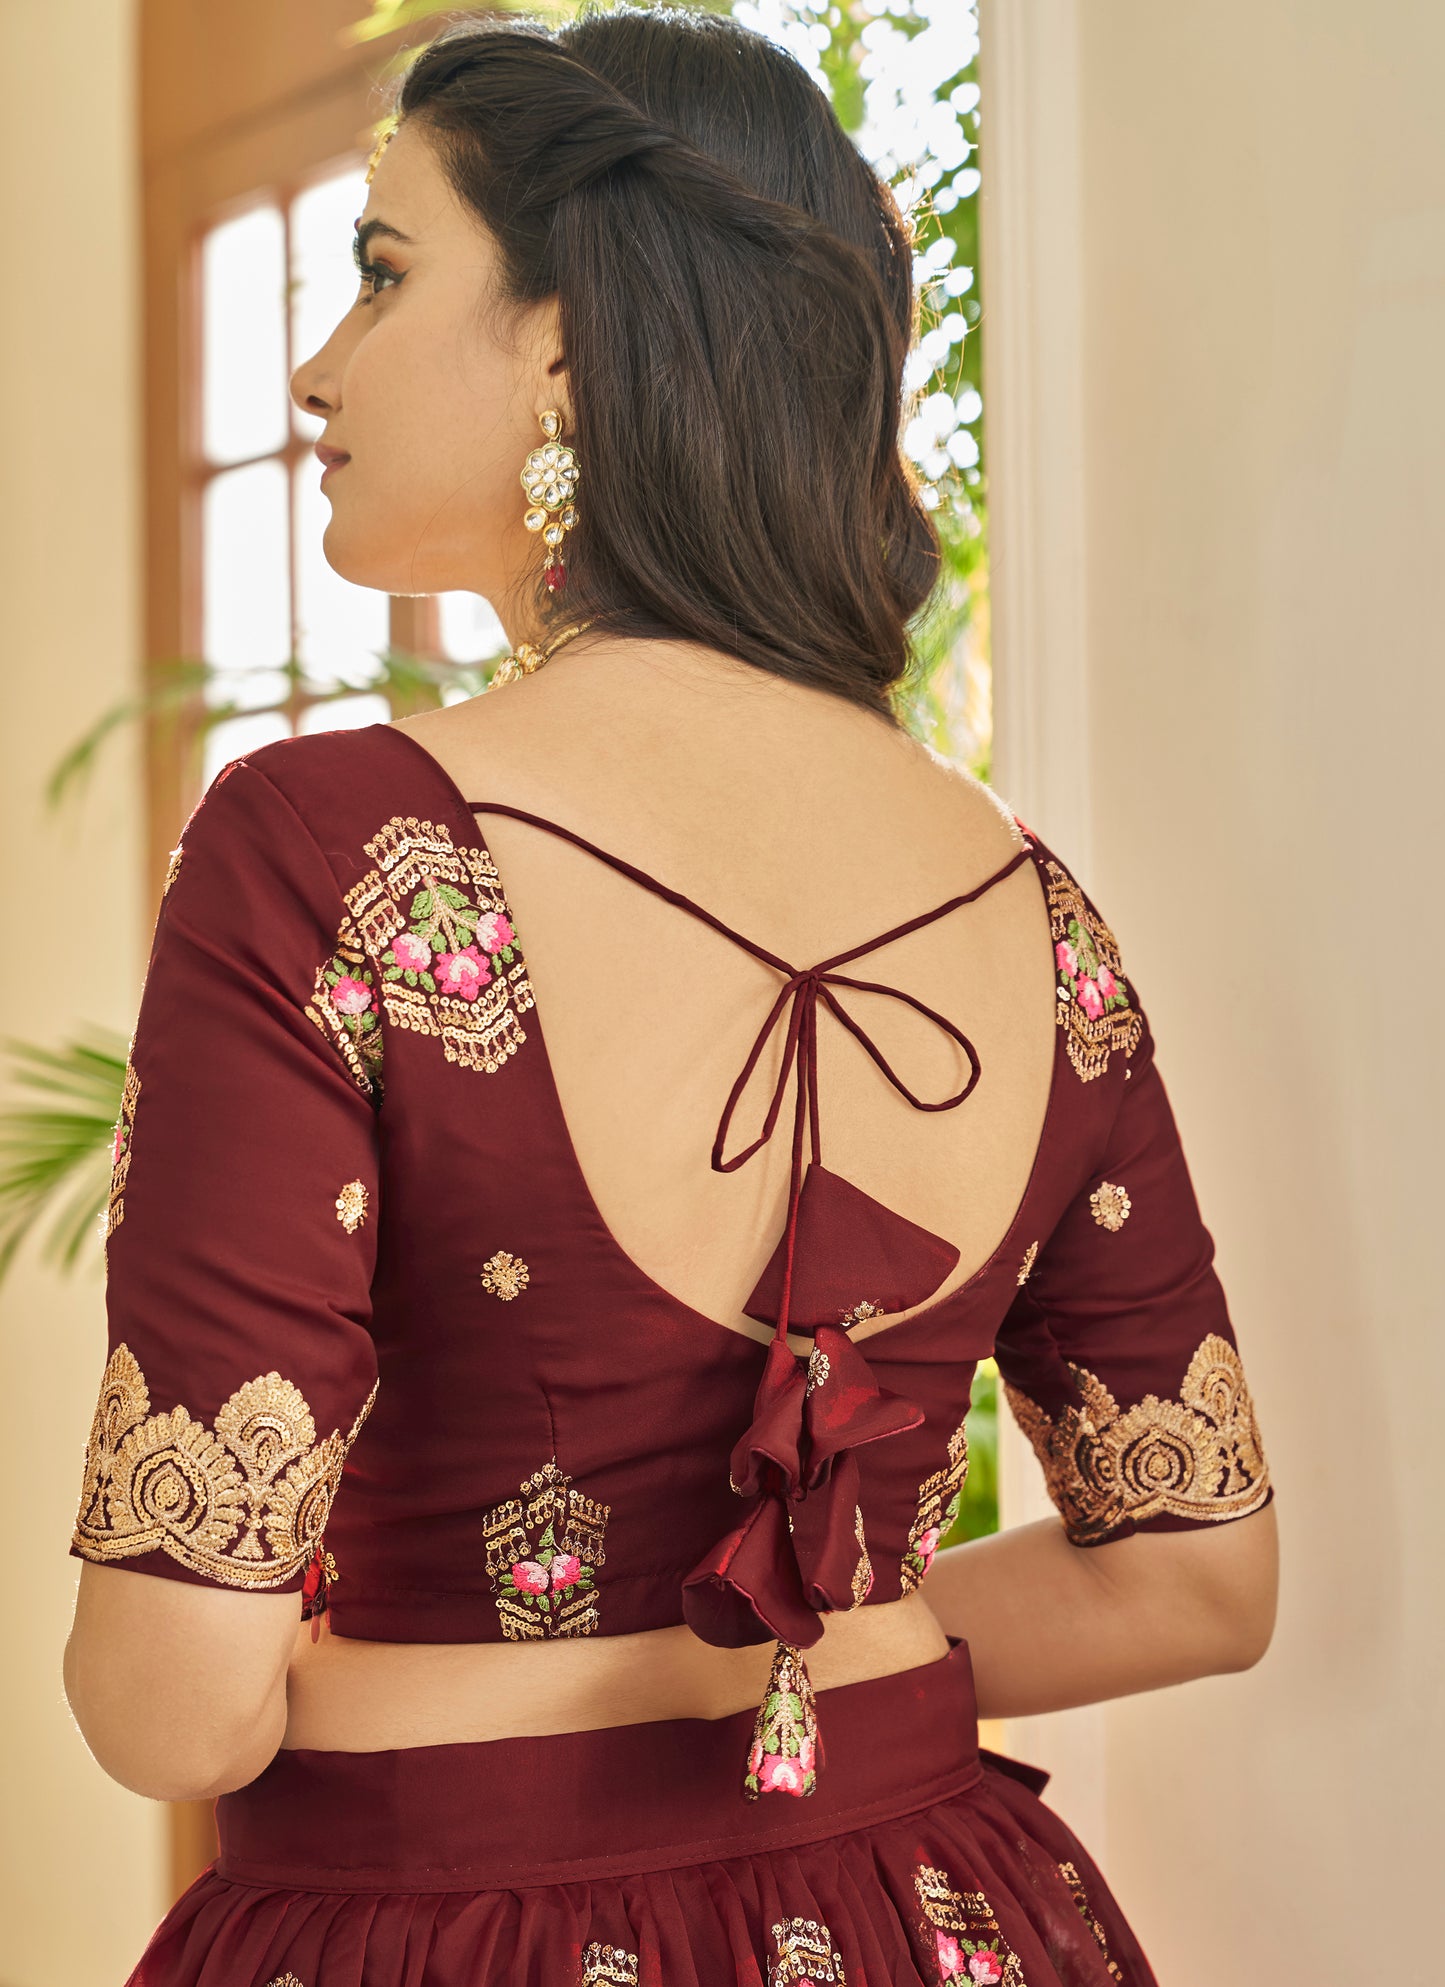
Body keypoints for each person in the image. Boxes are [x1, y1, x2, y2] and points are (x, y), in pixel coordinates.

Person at [62, 9, 1277, 1983]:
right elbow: (1194, 1577)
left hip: (440, 1928)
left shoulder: (327, 849)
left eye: (381, 274)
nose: (316, 365)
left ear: (566, 343)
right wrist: (827, 1654)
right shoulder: (1029, 904)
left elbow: (172, 1706)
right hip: (934, 1913)